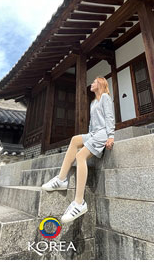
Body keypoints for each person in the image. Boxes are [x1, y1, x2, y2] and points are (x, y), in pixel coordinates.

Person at [41, 76, 114, 223]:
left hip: (103, 133)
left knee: (80, 156)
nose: (91, 84)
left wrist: (110, 136)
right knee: (75, 140)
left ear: (100, 84)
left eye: (94, 82)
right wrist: (87, 137)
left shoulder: (105, 97)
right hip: (93, 133)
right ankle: (61, 179)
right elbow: (92, 124)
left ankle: (79, 203)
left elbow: (109, 117)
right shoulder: (93, 102)